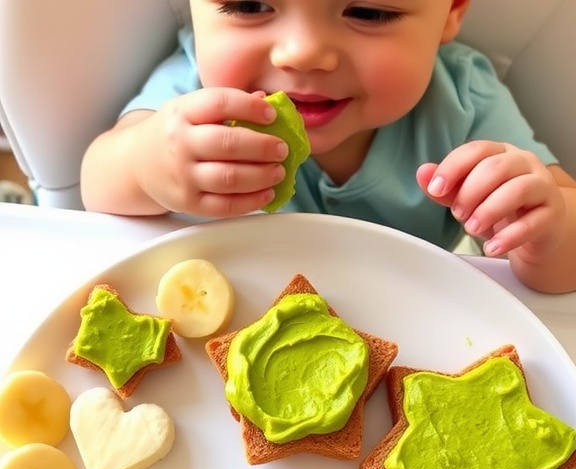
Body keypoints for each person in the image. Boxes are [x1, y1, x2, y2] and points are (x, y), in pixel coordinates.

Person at [81, 0, 576, 293]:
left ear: (450, 12)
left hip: (406, 330)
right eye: (250, 5)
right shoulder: (189, 99)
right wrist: (145, 165)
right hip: (220, 326)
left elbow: (563, 260)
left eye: (367, 11)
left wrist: (544, 229)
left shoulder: (464, 102)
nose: (303, 53)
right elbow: (95, 187)